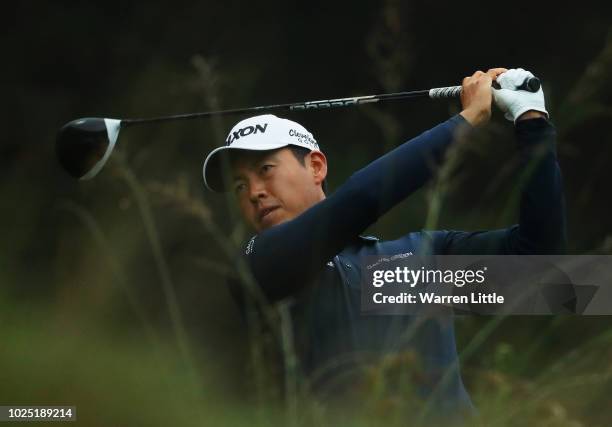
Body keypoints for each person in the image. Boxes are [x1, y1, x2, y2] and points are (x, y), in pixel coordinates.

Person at [202, 68, 566, 417]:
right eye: (239, 185)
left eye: (265, 170)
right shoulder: (255, 268)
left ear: (316, 166)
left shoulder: (420, 259)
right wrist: (466, 122)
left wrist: (531, 120)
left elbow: (541, 266)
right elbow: (357, 201)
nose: (253, 193)